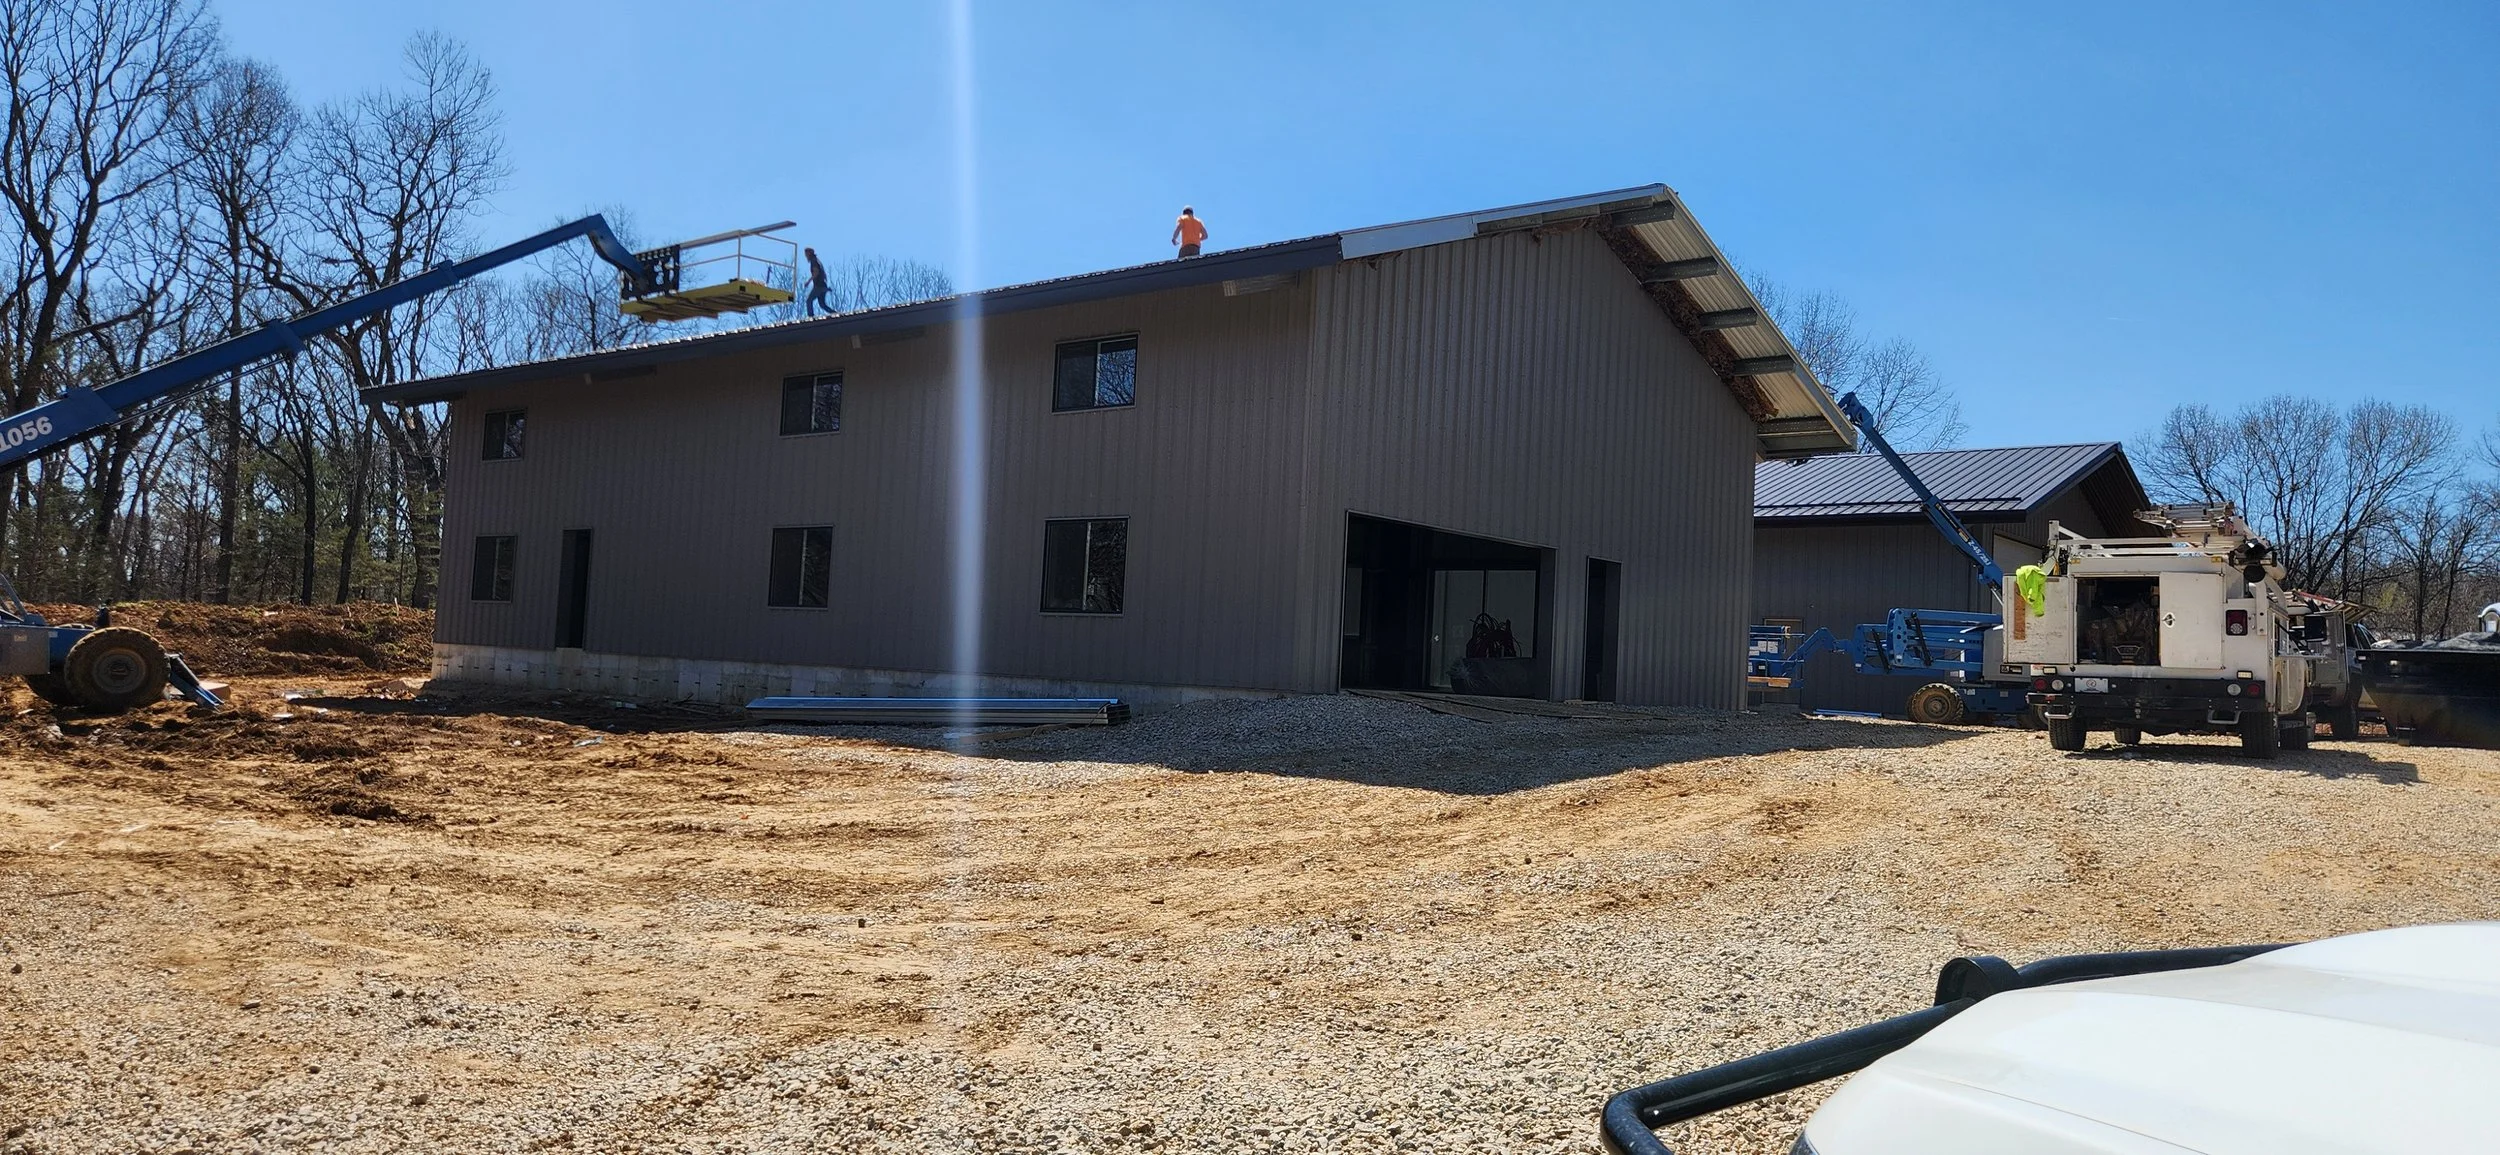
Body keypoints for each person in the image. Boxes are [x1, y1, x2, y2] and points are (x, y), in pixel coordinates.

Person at [803, 247, 831, 316]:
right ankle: (835, 314)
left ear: (809, 254)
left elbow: (816, 272)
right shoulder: (818, 261)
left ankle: (811, 317)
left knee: (809, 301)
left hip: (818, 286)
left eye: (806, 254)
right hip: (823, 285)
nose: (805, 256)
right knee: (822, 305)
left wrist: (808, 282)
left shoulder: (814, 261)